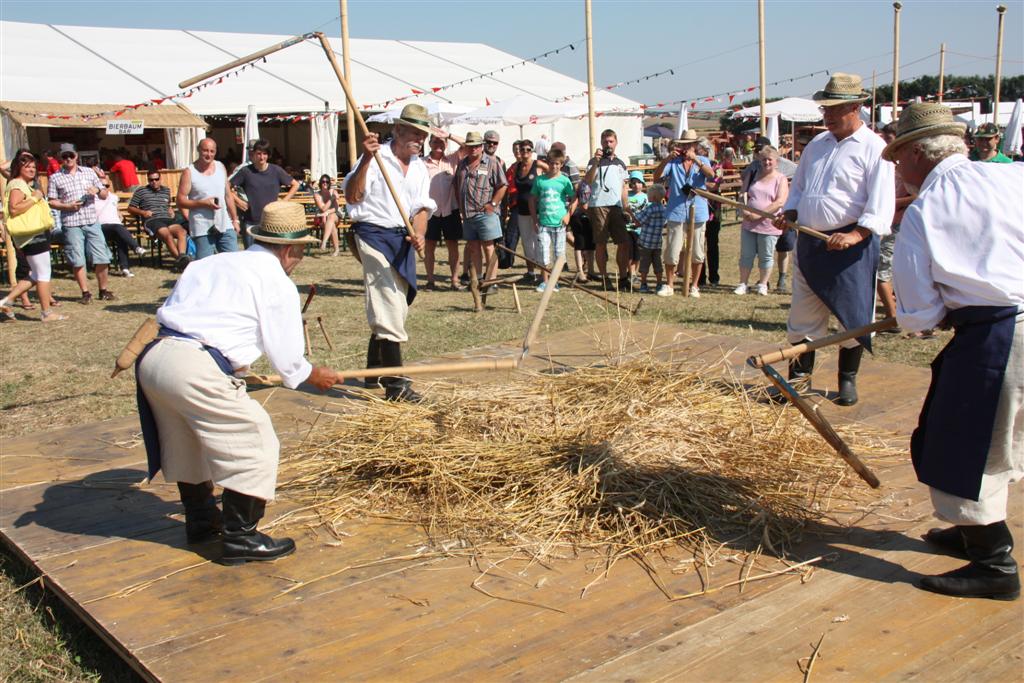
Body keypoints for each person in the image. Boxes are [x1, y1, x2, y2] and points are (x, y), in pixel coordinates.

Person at [136, 201, 340, 564]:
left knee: (186, 438)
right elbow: (289, 357)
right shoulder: (276, 280)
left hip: (156, 360)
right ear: (291, 249)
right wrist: (314, 374)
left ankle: (201, 520)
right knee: (254, 435)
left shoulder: (209, 263)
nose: (300, 260)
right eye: (302, 252)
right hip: (194, 366)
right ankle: (241, 538)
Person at [885, 102, 1023, 601]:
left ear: (919, 155)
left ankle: (994, 564)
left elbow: (918, 316)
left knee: (967, 444)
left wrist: (946, 309)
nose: (898, 170)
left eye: (899, 158)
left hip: (1000, 337)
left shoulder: (926, 211)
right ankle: (972, 531)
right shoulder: (1013, 178)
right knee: (1002, 437)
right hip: (1008, 325)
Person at [773, 73, 895, 406]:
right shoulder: (817, 144)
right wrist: (792, 212)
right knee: (802, 316)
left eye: (834, 108)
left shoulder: (875, 148)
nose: (826, 115)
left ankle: (847, 380)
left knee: (852, 316)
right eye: (824, 108)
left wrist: (857, 233)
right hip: (811, 243)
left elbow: (880, 203)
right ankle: (798, 378)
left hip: (851, 248)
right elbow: (799, 188)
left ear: (856, 106)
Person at [343, 103, 435, 402]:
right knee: (388, 303)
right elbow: (352, 195)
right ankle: (396, 386)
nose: (420, 140)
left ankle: (374, 370)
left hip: (401, 238)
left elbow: (421, 207)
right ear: (397, 130)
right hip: (370, 234)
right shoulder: (376, 157)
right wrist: (367, 159)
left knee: (401, 299)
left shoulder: (420, 167)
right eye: (414, 133)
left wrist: (419, 233)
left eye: (423, 135)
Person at [0, 149, 67, 322]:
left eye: (33, 167)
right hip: (31, 235)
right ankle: (46, 313)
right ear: (18, 168)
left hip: (33, 234)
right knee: (44, 273)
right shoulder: (17, 184)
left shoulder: (23, 184)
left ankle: (7, 300)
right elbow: (14, 209)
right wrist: (35, 197)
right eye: (27, 167)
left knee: (36, 274)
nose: (32, 169)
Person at [46, 149, 117, 303]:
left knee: (102, 257)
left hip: (91, 220)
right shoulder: (55, 177)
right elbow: (51, 201)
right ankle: (85, 293)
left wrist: (97, 190)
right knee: (78, 259)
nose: (68, 159)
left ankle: (103, 290)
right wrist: (67, 206)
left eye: (70, 155)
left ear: (76, 156)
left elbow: (105, 194)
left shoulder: (89, 173)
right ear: (60, 158)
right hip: (71, 223)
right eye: (64, 156)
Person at [654, 130, 715, 297]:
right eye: (684, 144)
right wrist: (667, 158)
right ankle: (670, 285)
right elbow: (656, 177)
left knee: (697, 250)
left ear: (695, 146)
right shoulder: (673, 163)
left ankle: (694, 285)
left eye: (689, 144)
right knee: (672, 250)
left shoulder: (702, 160)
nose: (686, 147)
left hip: (698, 210)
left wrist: (695, 159)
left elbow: (711, 175)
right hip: (676, 210)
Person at [742, 135, 799, 293]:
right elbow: (744, 185)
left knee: (783, 248)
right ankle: (763, 281)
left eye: (761, 148)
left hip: (781, 215)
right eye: (758, 151)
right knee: (758, 251)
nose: (759, 152)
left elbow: (798, 176)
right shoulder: (754, 167)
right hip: (754, 221)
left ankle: (782, 277)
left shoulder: (786, 165)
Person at [875, 123, 917, 334]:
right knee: (885, 269)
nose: (885, 142)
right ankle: (895, 313)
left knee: (882, 270)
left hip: (901, 222)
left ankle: (894, 318)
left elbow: (918, 195)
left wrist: (890, 202)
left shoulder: (907, 166)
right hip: (886, 222)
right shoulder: (887, 163)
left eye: (889, 138)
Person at [454, 131, 507, 288]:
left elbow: (503, 185)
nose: (474, 149)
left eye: (477, 146)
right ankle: (477, 279)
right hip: (468, 214)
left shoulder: (492, 162)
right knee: (473, 247)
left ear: (481, 146)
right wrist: (460, 208)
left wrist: (493, 204)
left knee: (489, 246)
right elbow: (457, 186)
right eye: (470, 146)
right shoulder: (462, 164)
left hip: (486, 213)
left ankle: (491, 281)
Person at [734, 145, 788, 296]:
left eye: (770, 159)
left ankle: (763, 284)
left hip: (768, 224)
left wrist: (758, 214)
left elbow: (779, 202)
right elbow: (742, 194)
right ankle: (742, 283)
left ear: (776, 161)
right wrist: (744, 210)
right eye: (764, 159)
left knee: (766, 255)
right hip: (748, 223)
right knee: (746, 254)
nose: (767, 162)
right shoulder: (752, 174)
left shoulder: (780, 179)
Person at [177, 138, 241, 260]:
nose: (209, 154)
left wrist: (235, 220)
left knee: (233, 261)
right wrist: (202, 203)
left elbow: (228, 195)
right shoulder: (189, 172)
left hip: (224, 223)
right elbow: (180, 201)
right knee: (205, 264)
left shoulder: (221, 167)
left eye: (212, 151)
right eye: (205, 151)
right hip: (202, 226)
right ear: (198, 150)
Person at [583, 129, 631, 290]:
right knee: (601, 243)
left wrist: (626, 207)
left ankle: (623, 276)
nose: (608, 144)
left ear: (616, 142)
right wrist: (596, 162)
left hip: (616, 206)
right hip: (598, 205)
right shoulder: (594, 161)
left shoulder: (620, 163)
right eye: (605, 142)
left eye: (610, 141)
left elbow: (624, 187)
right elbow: (588, 181)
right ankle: (604, 277)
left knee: (623, 242)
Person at [230, 139, 299, 248]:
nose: (262, 157)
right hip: (251, 222)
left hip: (272, 222)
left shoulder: (276, 170)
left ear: (268, 155)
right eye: (259, 154)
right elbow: (227, 188)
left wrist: (283, 202)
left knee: (271, 257)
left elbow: (295, 185)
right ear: (253, 154)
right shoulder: (246, 172)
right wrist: (238, 201)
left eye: (265, 154)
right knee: (252, 258)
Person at [528, 147, 577, 292]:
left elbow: (575, 198)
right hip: (543, 223)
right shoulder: (540, 180)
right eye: (551, 163)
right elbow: (532, 199)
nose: (554, 166)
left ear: (561, 164)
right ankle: (545, 281)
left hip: (559, 224)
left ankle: (555, 281)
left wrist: (569, 214)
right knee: (543, 253)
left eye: (557, 164)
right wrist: (534, 219)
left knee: (559, 253)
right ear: (547, 163)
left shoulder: (564, 180)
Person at [423, 132, 467, 290]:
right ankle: (430, 280)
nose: (438, 145)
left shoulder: (453, 159)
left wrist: (449, 134)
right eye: (435, 142)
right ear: (429, 144)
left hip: (450, 209)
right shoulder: (421, 163)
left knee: (453, 245)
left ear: (447, 144)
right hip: (430, 211)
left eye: (442, 142)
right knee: (429, 246)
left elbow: (468, 145)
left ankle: (454, 280)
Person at [129, 171, 190, 272]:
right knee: (167, 235)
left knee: (182, 232)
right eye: (151, 180)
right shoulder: (141, 191)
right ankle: (181, 262)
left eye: (156, 179)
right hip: (152, 220)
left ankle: (182, 257)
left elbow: (167, 204)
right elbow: (130, 208)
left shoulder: (166, 190)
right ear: (148, 180)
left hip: (167, 219)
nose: (154, 182)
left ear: (160, 179)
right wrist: (143, 212)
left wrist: (170, 209)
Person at [94, 176, 146, 277]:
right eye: (102, 186)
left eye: (107, 186)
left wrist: (119, 214)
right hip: (100, 227)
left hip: (115, 227)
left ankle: (125, 268)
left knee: (121, 236)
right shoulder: (93, 198)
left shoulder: (113, 197)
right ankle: (136, 247)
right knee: (118, 228)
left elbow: (115, 209)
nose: (105, 188)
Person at [510, 139, 544, 283]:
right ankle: (530, 273)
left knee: (540, 241)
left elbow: (555, 172)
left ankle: (544, 274)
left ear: (532, 151)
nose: (525, 152)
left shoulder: (538, 164)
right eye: (522, 149)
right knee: (526, 242)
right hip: (522, 209)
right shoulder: (516, 166)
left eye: (528, 150)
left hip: (537, 210)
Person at [630, 184, 668, 294]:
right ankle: (659, 283)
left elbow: (639, 220)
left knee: (644, 264)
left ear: (654, 197)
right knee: (658, 264)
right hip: (657, 242)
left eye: (649, 194)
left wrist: (631, 214)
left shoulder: (649, 209)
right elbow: (665, 224)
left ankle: (644, 284)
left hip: (646, 242)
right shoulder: (664, 209)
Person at [313, 174, 342, 257]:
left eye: (327, 182)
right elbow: (323, 209)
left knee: (331, 216)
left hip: (336, 214)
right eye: (323, 182)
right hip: (322, 216)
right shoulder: (317, 195)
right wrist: (332, 199)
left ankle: (324, 241)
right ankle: (336, 250)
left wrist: (328, 212)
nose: (325, 183)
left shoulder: (333, 191)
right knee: (331, 222)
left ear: (329, 183)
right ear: (320, 183)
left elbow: (336, 207)